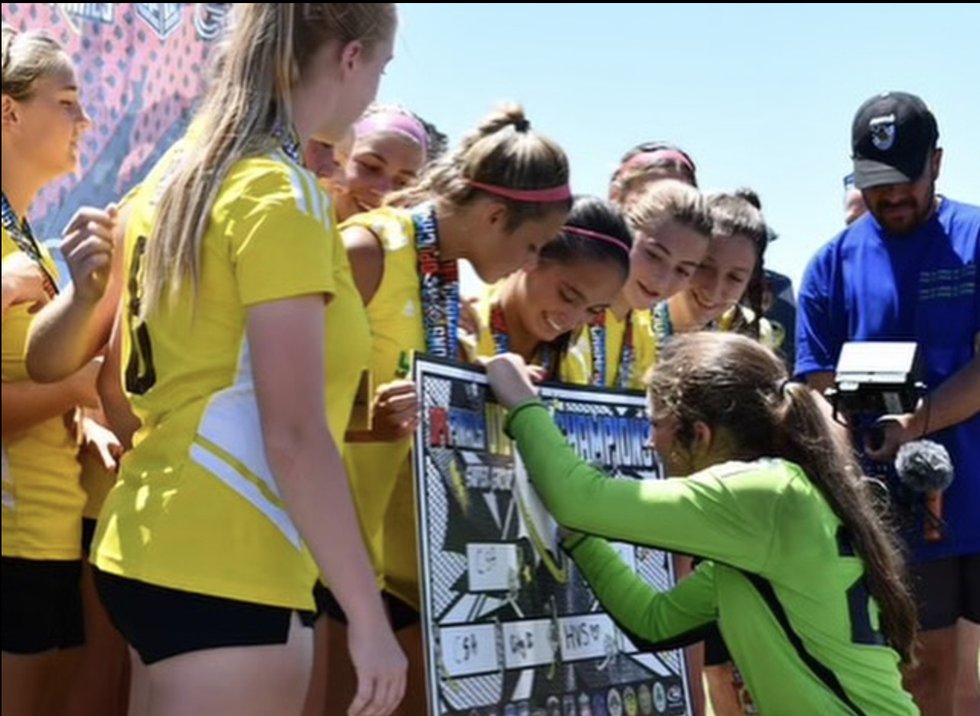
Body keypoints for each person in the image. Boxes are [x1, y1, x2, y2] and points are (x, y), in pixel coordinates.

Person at [37, 6, 408, 716]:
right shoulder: (279, 191)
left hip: (150, 545)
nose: (375, 90)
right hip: (234, 561)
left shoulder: (174, 179)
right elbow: (294, 433)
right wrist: (365, 615)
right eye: (384, 68)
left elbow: (109, 380)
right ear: (352, 58)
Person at [484, 332, 919, 715]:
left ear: (701, 434)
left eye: (657, 425)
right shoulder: (773, 511)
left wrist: (522, 403)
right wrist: (580, 538)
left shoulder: (761, 494)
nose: (650, 442)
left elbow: (579, 499)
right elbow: (655, 621)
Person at [314, 103, 571, 715]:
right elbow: (277, 399)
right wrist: (367, 418)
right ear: (494, 215)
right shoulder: (366, 249)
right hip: (307, 550)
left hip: (369, 556)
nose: (532, 263)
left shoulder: (443, 274)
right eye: (533, 245)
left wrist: (472, 392)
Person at [797, 90, 979, 715]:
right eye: (876, 183)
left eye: (905, 178)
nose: (892, 196)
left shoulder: (976, 237)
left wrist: (916, 423)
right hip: (894, 516)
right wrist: (844, 455)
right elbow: (814, 390)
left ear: (938, 162)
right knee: (924, 679)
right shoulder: (829, 267)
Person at [1, 23, 117, 715]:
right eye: (67, 101)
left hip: (49, 538)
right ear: (9, 111)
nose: (85, 118)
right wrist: (76, 386)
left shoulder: (32, 245)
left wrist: (83, 413)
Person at [560, 179, 712, 389]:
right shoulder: (564, 305)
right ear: (627, 230)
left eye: (682, 270)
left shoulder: (649, 332)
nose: (663, 279)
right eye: (654, 255)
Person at [461, 195, 633, 368]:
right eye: (568, 296)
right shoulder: (461, 330)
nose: (573, 321)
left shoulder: (572, 367)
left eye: (594, 310)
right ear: (533, 254)